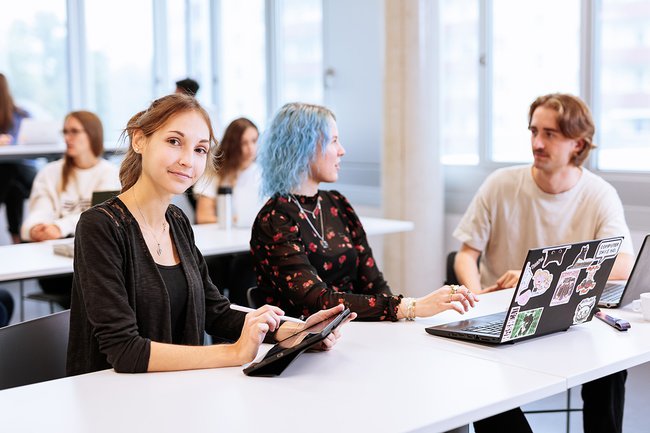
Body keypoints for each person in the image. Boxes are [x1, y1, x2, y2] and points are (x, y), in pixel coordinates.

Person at [66, 93, 354, 376]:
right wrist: (234, 352)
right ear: (139, 139)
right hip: (113, 405)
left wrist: (297, 332)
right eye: (174, 142)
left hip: (179, 392)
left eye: (200, 149)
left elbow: (214, 311)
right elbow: (126, 351)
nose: (187, 160)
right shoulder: (100, 226)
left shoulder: (176, 222)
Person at [453, 93, 634, 433]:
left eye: (550, 134)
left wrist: (543, 278)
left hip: (568, 321)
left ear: (577, 143)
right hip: (504, 317)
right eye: (534, 131)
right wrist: (475, 299)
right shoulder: (501, 184)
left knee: (610, 370)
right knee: (484, 384)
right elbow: (466, 254)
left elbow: (623, 262)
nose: (537, 142)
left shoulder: (599, 193)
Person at [250, 102, 478, 321]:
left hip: (353, 332)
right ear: (304, 147)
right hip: (305, 344)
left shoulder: (338, 204)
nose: (342, 151)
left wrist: (404, 319)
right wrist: (411, 307)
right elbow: (316, 301)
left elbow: (374, 284)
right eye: (334, 141)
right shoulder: (275, 219)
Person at [20, 111, 120, 308]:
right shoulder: (50, 172)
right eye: (65, 132)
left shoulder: (110, 174)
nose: (67, 138)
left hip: (94, 263)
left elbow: (99, 218)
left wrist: (59, 227)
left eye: (74, 131)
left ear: (92, 134)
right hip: (55, 268)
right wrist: (36, 228)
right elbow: (40, 210)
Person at [194, 117, 264, 306]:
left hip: (247, 246)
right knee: (217, 268)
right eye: (244, 143)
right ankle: (224, 326)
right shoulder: (215, 173)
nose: (251, 149)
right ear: (233, 144)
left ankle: (241, 324)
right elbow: (203, 216)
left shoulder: (263, 174)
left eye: (255, 141)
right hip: (221, 249)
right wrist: (232, 219)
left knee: (246, 265)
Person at [0, 73, 37, 244]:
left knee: (10, 169)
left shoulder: (21, 115)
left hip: (24, 170)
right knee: (14, 189)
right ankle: (17, 239)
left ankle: (16, 237)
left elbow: (29, 139)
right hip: (9, 180)